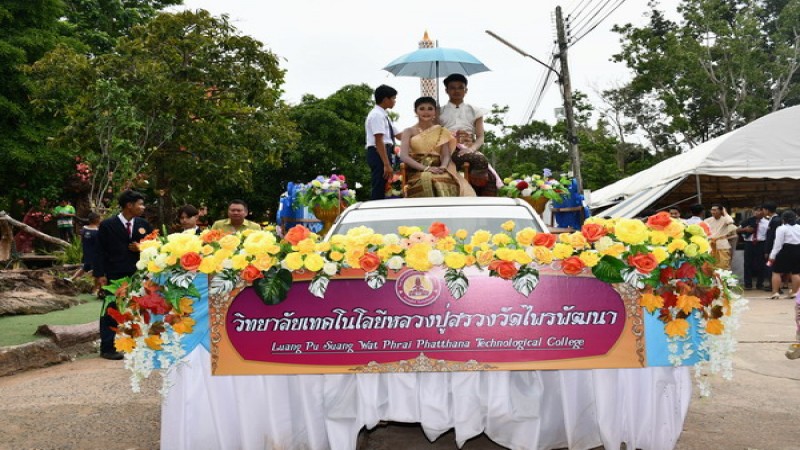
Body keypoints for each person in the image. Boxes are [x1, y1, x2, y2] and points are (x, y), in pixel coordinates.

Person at [94, 190, 153, 360]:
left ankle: (136, 345)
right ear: (129, 205)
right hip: (115, 275)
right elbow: (99, 251)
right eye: (140, 204)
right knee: (111, 311)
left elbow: (154, 245)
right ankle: (107, 348)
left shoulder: (143, 224)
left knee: (138, 310)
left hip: (138, 274)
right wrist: (99, 274)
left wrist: (141, 248)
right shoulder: (108, 225)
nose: (143, 207)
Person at [398, 97, 476, 198]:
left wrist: (443, 167)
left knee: (443, 180)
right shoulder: (408, 131)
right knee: (428, 179)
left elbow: (446, 155)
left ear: (435, 112)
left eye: (430, 109)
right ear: (415, 111)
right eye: (422, 109)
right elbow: (404, 156)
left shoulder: (441, 131)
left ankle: (445, 212)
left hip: (439, 170)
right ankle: (429, 212)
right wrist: (426, 168)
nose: (426, 112)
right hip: (417, 171)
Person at [437, 73, 501, 196]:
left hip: (468, 149)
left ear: (466, 90)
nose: (457, 91)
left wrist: (471, 149)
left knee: (490, 177)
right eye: (452, 87)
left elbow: (481, 137)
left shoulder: (475, 111)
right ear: (446, 90)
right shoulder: (439, 111)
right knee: (480, 160)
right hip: (447, 150)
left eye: (460, 87)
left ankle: (481, 202)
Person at [365, 84, 399, 200]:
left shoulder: (385, 115)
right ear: (385, 99)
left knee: (385, 184)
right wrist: (386, 164)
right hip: (378, 152)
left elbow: (399, 135)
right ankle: (375, 210)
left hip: (385, 152)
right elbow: (378, 140)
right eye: (393, 98)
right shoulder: (376, 115)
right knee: (379, 184)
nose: (394, 101)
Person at [767, 210, 800, 299]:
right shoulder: (799, 227)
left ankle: (775, 292)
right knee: (796, 273)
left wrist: (772, 256)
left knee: (776, 272)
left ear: (783, 219)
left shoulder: (781, 228)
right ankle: (794, 292)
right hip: (798, 250)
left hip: (785, 250)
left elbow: (778, 244)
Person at [66, 212, 102, 292]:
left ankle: (72, 278)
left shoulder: (84, 229)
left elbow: (82, 240)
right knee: (97, 272)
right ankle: (95, 289)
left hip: (86, 252)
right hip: (95, 255)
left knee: (85, 267)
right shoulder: (97, 231)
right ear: (97, 220)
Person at [704, 204, 736, 270]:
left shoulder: (725, 219)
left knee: (724, 267)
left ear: (720, 211)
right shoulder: (707, 220)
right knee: (710, 268)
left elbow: (731, 221)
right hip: (710, 246)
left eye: (715, 210)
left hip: (722, 245)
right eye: (712, 210)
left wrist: (725, 212)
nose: (713, 212)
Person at [762, 201, 782, 292]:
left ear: (767, 210)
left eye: (763, 210)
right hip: (773, 248)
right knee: (771, 267)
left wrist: (767, 251)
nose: (763, 212)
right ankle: (773, 285)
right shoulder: (773, 219)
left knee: (772, 267)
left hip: (772, 249)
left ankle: (776, 287)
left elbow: (771, 237)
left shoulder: (775, 220)